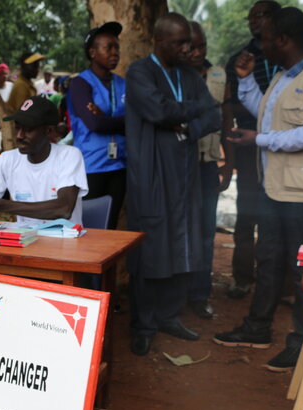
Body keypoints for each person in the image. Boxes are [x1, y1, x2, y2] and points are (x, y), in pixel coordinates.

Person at [214, 7, 303, 372]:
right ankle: (257, 328)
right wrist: (244, 82)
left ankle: (301, 344)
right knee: (269, 258)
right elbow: (266, 113)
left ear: (283, 40)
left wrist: (261, 139)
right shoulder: (286, 76)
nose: (259, 47)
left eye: (265, 39)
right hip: (277, 186)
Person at [124, 12, 220, 356]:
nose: (187, 48)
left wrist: (188, 126)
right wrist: (192, 110)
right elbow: (158, 111)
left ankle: (169, 316)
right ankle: (144, 323)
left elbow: (215, 115)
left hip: (185, 176)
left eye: (189, 42)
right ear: (160, 41)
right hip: (152, 175)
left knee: (183, 245)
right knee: (150, 250)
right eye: (180, 42)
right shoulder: (139, 72)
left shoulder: (189, 75)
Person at [0, 95, 87, 225]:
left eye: (28, 129)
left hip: (64, 245)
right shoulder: (8, 159)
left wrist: (2, 205)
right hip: (25, 243)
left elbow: (63, 209)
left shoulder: (69, 156)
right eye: (17, 127)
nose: (19, 135)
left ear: (49, 131)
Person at [223, 1, 282, 300]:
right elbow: (231, 107)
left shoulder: (288, 59)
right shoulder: (239, 59)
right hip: (248, 146)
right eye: (251, 17)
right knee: (247, 213)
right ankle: (243, 278)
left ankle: (281, 284)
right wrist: (230, 152)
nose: (255, 21)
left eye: (262, 15)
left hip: (285, 148)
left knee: (281, 214)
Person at [185, 21, 230, 320]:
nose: (198, 52)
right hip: (178, 166)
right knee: (179, 230)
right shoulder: (172, 77)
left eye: (203, 46)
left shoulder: (218, 74)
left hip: (208, 164)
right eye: (193, 46)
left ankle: (200, 295)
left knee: (205, 231)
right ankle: (175, 293)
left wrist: (229, 165)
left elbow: (224, 118)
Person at [67, 22, 126, 230]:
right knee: (89, 228)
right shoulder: (80, 84)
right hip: (92, 166)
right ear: (92, 52)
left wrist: (107, 120)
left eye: (117, 47)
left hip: (120, 165)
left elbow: (136, 123)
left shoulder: (123, 84)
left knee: (109, 227)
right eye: (108, 47)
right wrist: (120, 122)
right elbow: (94, 123)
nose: (115, 52)